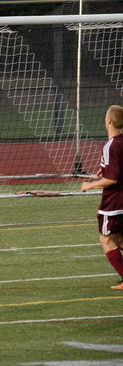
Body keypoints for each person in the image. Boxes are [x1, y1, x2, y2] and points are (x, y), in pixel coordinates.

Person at [81, 104, 123, 290]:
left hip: (114, 202)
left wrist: (90, 185)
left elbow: (112, 179)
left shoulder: (110, 146)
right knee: (119, 239)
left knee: (106, 239)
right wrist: (105, 169)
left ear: (109, 121)